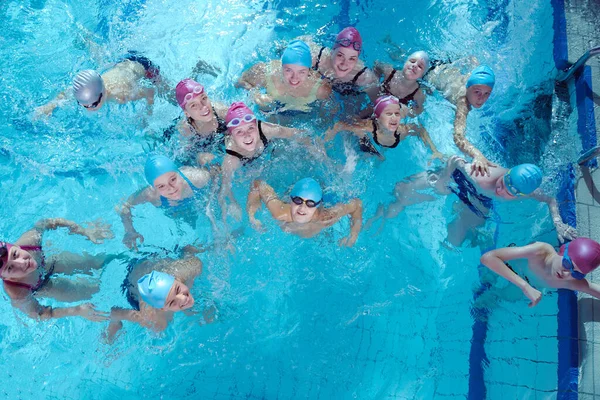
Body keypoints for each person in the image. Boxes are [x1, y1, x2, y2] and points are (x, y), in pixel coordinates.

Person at [366, 156, 577, 247]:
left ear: (521, 195)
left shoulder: (528, 191)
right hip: (460, 179)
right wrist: (444, 178)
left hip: (479, 198)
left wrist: (558, 223)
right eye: (503, 183)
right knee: (402, 189)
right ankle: (382, 213)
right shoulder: (483, 177)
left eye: (509, 192)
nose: (501, 190)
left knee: (454, 240)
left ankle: (476, 236)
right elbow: (455, 160)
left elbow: (550, 200)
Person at [0, 218, 114, 322]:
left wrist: (84, 231)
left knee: (96, 262)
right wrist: (77, 310)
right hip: (44, 287)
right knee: (91, 291)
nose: (22, 262)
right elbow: (40, 314)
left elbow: (46, 222)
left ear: (15, 246)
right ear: (4, 277)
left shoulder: (30, 241)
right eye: (10, 268)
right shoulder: (17, 292)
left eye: (15, 254)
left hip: (50, 263)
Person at [105, 245, 208, 342]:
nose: (183, 298)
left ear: (176, 280)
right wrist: (115, 323)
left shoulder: (188, 270)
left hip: (152, 261)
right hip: (134, 283)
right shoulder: (155, 319)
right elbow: (115, 312)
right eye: (172, 302)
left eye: (177, 289)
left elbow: (189, 251)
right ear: (162, 308)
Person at [219, 102, 300, 222]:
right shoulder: (231, 159)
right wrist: (233, 203)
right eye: (239, 132)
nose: (247, 135)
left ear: (256, 126)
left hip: (268, 150)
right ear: (232, 136)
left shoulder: (267, 130)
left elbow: (296, 133)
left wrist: (313, 147)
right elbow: (225, 189)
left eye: (250, 128)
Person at [119, 154, 215, 250]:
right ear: (154, 187)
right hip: (174, 210)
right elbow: (125, 206)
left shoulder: (197, 178)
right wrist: (129, 230)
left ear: (179, 174)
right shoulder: (151, 195)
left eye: (173, 179)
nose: (171, 188)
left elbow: (216, 171)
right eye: (161, 186)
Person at [34, 51, 166, 117]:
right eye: (83, 104)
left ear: (103, 94)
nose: (89, 108)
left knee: (169, 94)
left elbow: (150, 92)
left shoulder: (121, 96)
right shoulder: (85, 88)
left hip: (143, 66)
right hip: (122, 62)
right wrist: (49, 106)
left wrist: (147, 115)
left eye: (93, 104)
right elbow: (65, 94)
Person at [480, 238, 600, 307]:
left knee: (493, 301)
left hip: (527, 284)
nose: (566, 274)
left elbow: (594, 289)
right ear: (562, 251)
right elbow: (488, 258)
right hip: (508, 265)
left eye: (577, 273)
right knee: (486, 276)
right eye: (568, 264)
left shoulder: (571, 282)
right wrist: (525, 286)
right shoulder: (540, 252)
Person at [426, 62, 497, 176]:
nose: (481, 98)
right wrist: (477, 154)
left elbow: (473, 62)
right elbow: (458, 136)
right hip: (427, 73)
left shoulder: (472, 79)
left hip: (445, 67)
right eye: (477, 92)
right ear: (468, 88)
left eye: (487, 93)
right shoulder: (463, 103)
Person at [247, 178, 363, 247]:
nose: (302, 208)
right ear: (291, 199)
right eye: (297, 200)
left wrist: (353, 234)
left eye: (310, 203)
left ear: (317, 205)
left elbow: (357, 204)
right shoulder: (280, 213)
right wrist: (253, 208)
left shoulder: (325, 218)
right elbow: (258, 183)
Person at [324, 95, 443, 161]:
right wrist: (325, 142)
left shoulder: (401, 131)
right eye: (388, 114)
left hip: (378, 144)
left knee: (381, 158)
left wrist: (435, 151)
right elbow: (339, 125)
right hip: (365, 133)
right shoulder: (367, 127)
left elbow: (420, 130)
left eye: (397, 114)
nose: (394, 118)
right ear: (378, 117)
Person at [236, 40, 331, 113]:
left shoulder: (321, 88)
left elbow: (327, 115)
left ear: (309, 71)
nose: (294, 78)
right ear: (281, 67)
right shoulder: (264, 72)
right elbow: (239, 82)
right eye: (288, 70)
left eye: (301, 72)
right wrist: (254, 94)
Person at [309, 27, 378, 115]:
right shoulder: (317, 58)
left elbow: (378, 104)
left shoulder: (363, 76)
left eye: (352, 59)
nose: (344, 64)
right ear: (332, 51)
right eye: (340, 55)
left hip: (348, 95)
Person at [164, 78, 228, 166]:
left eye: (204, 98)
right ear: (187, 113)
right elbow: (182, 158)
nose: (203, 106)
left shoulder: (220, 111)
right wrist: (198, 157)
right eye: (193, 105)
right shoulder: (186, 129)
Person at [374, 51, 429, 117]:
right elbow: (377, 64)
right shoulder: (389, 72)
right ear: (405, 62)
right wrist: (375, 81)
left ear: (421, 75)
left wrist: (407, 111)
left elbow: (418, 111)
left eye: (420, 66)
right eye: (412, 61)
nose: (414, 65)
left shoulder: (418, 94)